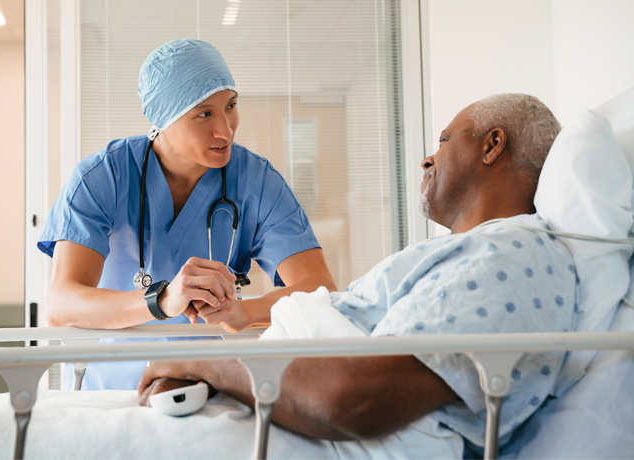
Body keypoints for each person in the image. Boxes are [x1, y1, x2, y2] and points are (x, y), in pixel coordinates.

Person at [138, 93, 576, 455]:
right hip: (283, 401)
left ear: (492, 144)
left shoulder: (510, 256)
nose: (427, 159)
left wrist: (203, 361)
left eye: (443, 141)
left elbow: (355, 399)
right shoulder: (464, 253)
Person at [37, 39, 336, 390]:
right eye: (204, 113)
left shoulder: (256, 182)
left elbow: (319, 288)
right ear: (163, 118)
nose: (225, 129)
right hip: (113, 395)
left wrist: (245, 312)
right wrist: (162, 300)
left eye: (231, 106)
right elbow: (60, 304)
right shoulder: (105, 176)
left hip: (211, 389)